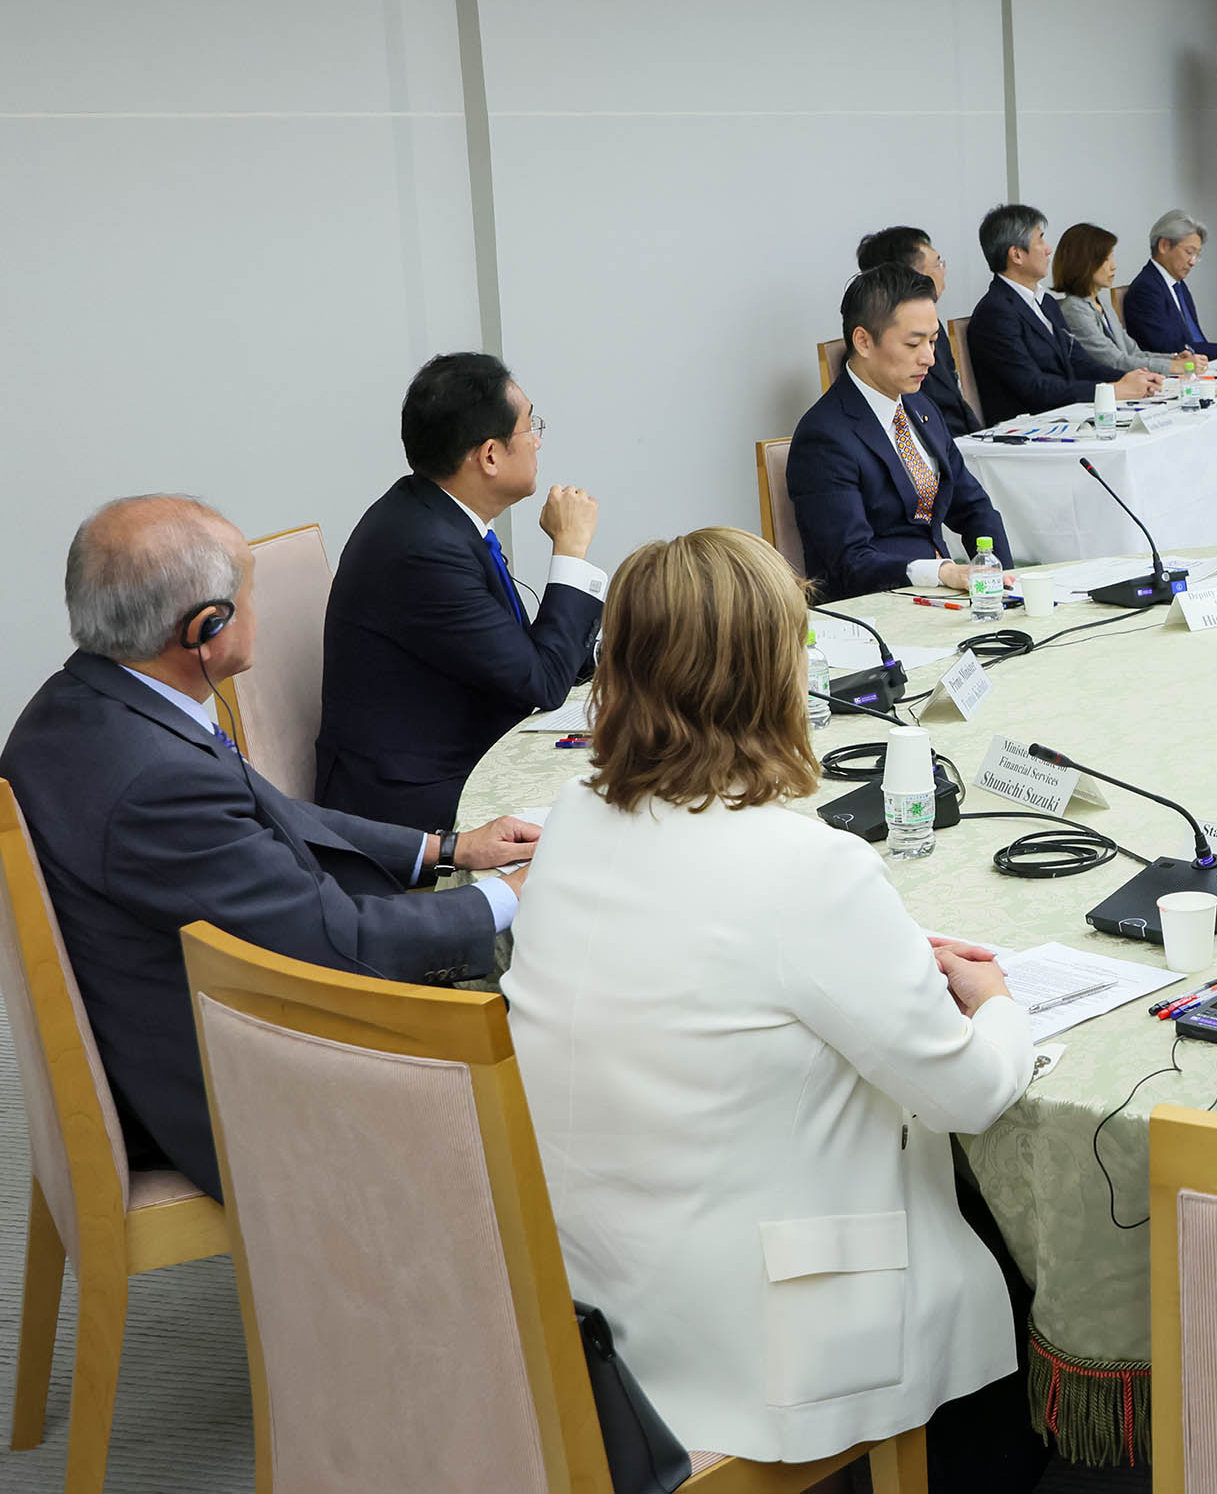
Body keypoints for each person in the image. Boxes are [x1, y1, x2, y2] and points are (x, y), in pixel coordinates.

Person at [502, 527, 1037, 1479]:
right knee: (1004, 1282)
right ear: (772, 677)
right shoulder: (809, 868)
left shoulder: (575, 818)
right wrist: (994, 1001)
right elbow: (968, 1095)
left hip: (585, 1288)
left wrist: (874, 963)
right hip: (755, 1342)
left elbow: (709, 958)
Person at [1, 495, 532, 1199]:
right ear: (205, 629)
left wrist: (449, 847)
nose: (259, 607)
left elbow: (271, 811)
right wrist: (507, 899)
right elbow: (339, 944)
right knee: (539, 1040)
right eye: (247, 590)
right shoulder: (155, 783)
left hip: (172, 1020)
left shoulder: (86, 703)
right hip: (223, 1091)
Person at [316, 353, 605, 832]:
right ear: (490, 455)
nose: (537, 440)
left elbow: (530, 666)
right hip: (409, 800)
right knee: (606, 812)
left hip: (455, 758)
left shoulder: (433, 518)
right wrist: (570, 552)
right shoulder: (423, 549)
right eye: (529, 426)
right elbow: (543, 682)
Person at [789, 262, 1014, 600]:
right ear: (863, 341)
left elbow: (973, 507)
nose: (929, 359)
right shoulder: (824, 437)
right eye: (913, 345)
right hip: (874, 609)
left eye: (933, 341)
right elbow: (851, 562)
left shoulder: (919, 407)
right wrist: (940, 572)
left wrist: (1002, 579)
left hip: (937, 599)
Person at [964, 204, 1161, 423]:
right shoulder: (995, 313)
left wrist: (1129, 379)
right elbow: (1034, 388)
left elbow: (1078, 361)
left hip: (1069, 414)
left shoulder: (1045, 301)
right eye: (1040, 239)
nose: (1048, 249)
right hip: (1030, 429)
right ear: (1017, 254)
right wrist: (1111, 390)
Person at [857, 224, 978, 436]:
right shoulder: (873, 356)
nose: (927, 358)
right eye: (938, 263)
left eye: (930, 341)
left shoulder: (934, 326)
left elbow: (955, 403)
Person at [1122, 209, 1217, 363]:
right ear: (1164, 245)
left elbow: (1193, 338)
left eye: (1197, 255)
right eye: (1189, 252)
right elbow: (1169, 348)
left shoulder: (1178, 285)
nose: (1193, 262)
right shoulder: (1146, 289)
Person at [1052, 222, 1174, 377]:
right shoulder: (1074, 309)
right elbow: (1115, 362)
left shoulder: (1101, 302)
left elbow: (1133, 352)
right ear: (1083, 262)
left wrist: (1175, 358)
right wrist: (1173, 367)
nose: (1114, 266)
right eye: (1106, 259)